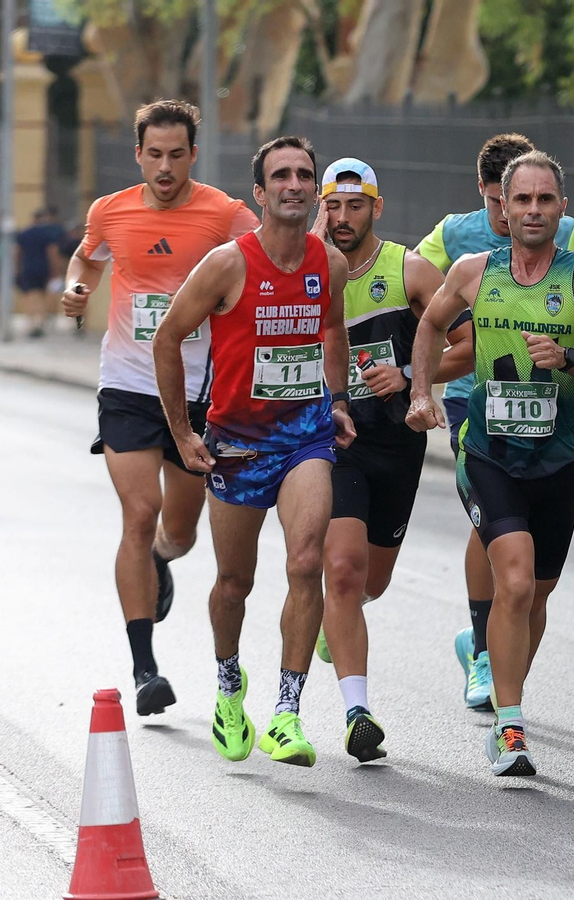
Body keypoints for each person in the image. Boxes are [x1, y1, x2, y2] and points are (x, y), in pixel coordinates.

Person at [408, 151, 574, 777]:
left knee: (536, 596)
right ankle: (509, 727)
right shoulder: (476, 272)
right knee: (514, 580)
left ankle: (500, 677)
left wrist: (569, 359)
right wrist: (421, 393)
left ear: (562, 209)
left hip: (556, 459)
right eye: (521, 200)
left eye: (546, 201)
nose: (533, 211)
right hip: (488, 451)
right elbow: (428, 328)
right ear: (502, 206)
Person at [153, 135, 354, 769]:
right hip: (237, 444)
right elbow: (167, 340)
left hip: (306, 435)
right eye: (281, 176)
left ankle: (287, 715)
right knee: (234, 583)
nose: (294, 184)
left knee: (305, 560)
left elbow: (331, 331)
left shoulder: (330, 264)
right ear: (260, 194)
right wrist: (184, 434)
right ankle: (229, 685)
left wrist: (340, 401)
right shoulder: (226, 265)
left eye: (304, 175)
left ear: (313, 190)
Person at [63, 100, 260, 718]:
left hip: (198, 392)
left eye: (178, 155)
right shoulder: (111, 210)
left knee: (180, 531)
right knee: (139, 512)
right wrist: (76, 289)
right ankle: (145, 667)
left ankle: (159, 562)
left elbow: (265, 260)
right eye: (155, 155)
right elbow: (86, 259)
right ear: (139, 155)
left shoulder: (225, 213)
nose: (166, 167)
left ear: (192, 155)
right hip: (126, 383)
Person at [307, 158, 472, 763]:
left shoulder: (411, 270)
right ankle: (357, 713)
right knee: (343, 573)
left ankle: (338, 622)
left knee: (371, 581)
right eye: (333, 205)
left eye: (355, 205)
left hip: (397, 444)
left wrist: (408, 375)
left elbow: (470, 343)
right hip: (331, 446)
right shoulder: (302, 268)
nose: (342, 218)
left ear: (377, 207)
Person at [17, 207, 66, 337]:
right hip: (44, 268)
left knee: (31, 295)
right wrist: (56, 269)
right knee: (43, 295)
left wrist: (17, 267)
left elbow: (17, 252)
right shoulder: (48, 234)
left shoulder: (25, 234)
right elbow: (52, 252)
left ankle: (32, 322)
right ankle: (40, 322)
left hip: (28, 267)